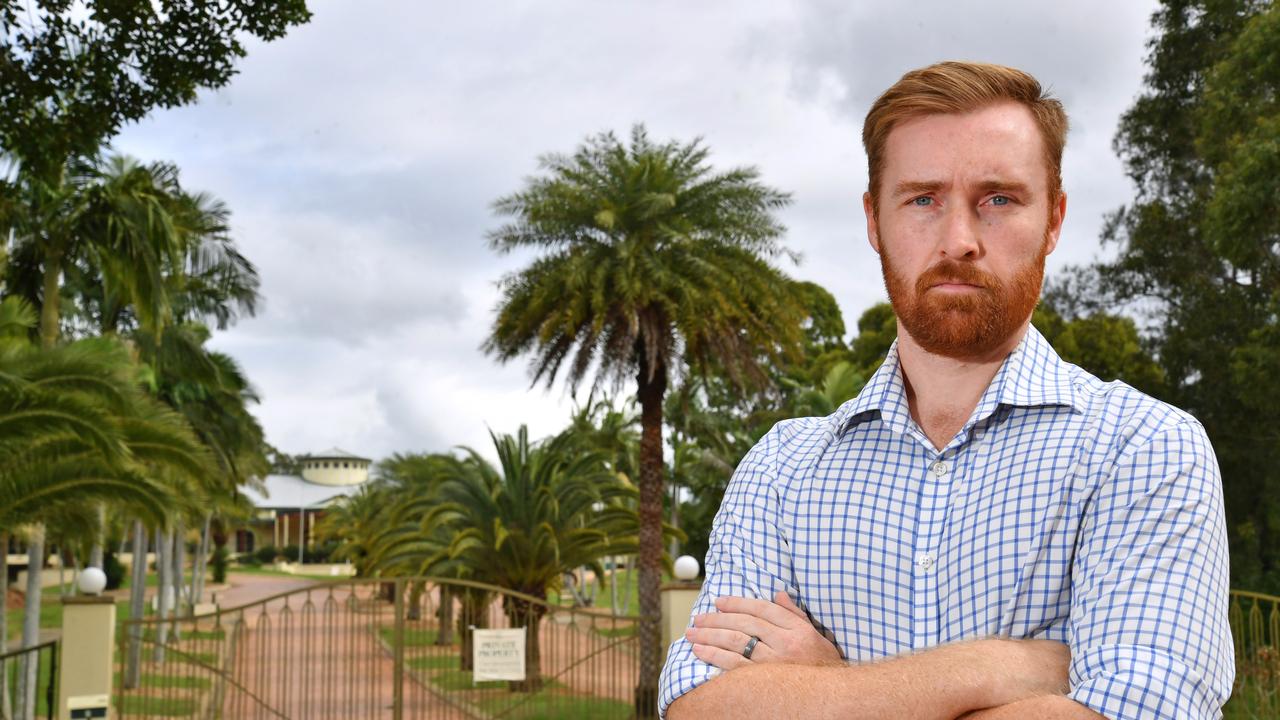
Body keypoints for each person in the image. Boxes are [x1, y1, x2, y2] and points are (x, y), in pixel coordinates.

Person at [659, 61, 1234, 720]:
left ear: (1054, 220)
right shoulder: (780, 471)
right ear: (875, 220)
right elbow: (699, 709)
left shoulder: (1144, 450)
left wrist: (826, 686)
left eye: (998, 199)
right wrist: (999, 667)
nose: (958, 241)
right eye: (923, 198)